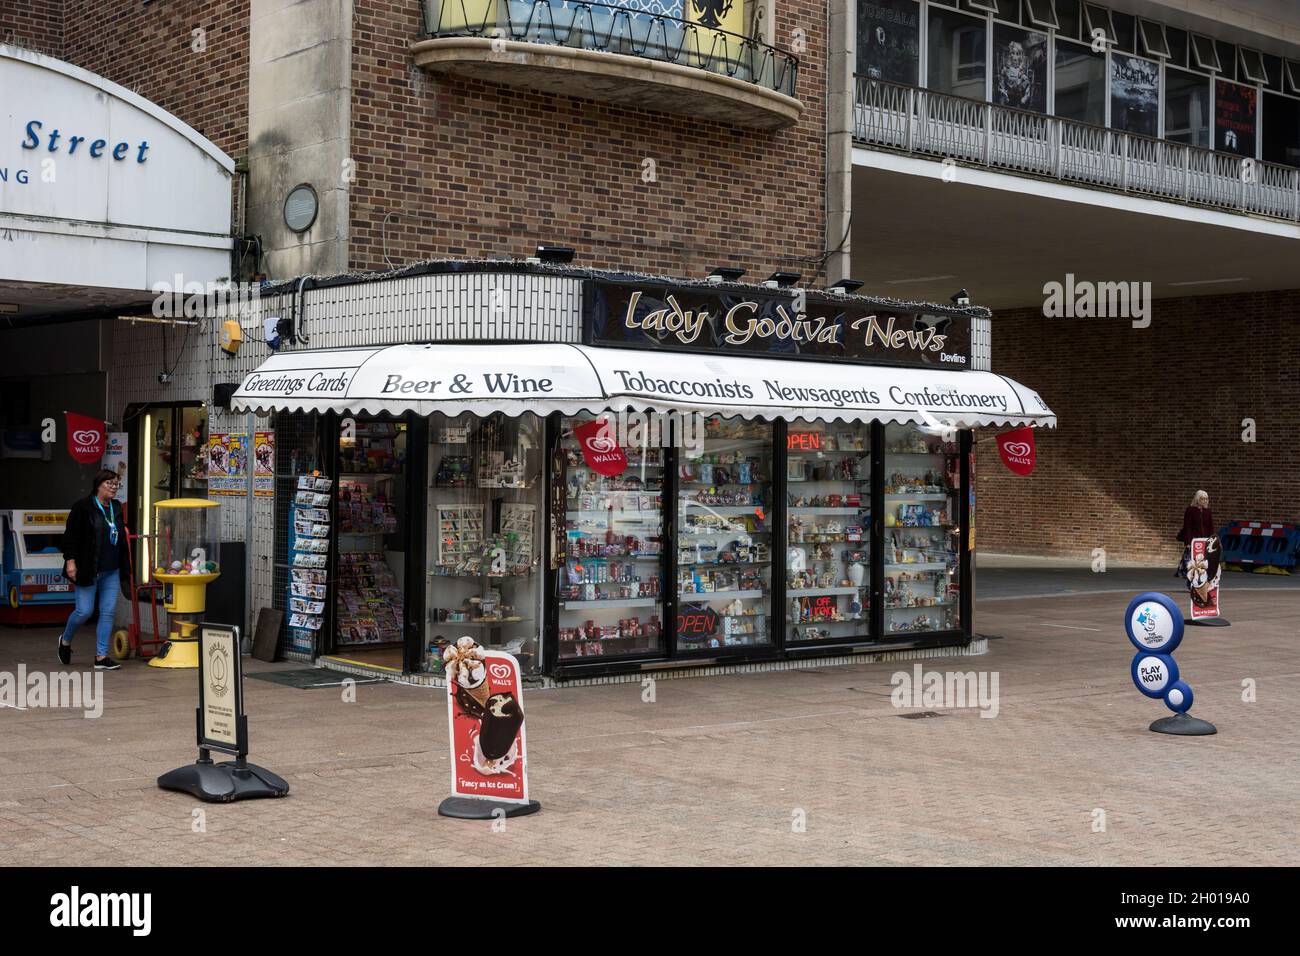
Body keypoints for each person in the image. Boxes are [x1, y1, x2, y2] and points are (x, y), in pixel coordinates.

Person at [58, 470, 130, 669]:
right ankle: (65, 639)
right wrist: (70, 562)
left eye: (116, 484)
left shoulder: (116, 507)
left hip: (111, 569)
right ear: (98, 485)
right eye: (110, 483)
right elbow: (70, 537)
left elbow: (119, 536)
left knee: (107, 613)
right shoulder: (83, 507)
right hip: (89, 568)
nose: (114, 487)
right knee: (84, 611)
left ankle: (101, 657)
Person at [1176, 490, 1215, 578]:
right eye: (1202, 499)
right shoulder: (1190, 510)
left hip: (1204, 540)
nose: (1205, 501)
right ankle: (1190, 579)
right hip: (1194, 540)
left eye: (1206, 499)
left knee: (1203, 562)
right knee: (1192, 563)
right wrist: (1188, 542)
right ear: (1197, 499)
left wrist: (1211, 540)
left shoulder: (1208, 511)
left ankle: (1202, 580)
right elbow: (1187, 527)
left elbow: (1210, 527)